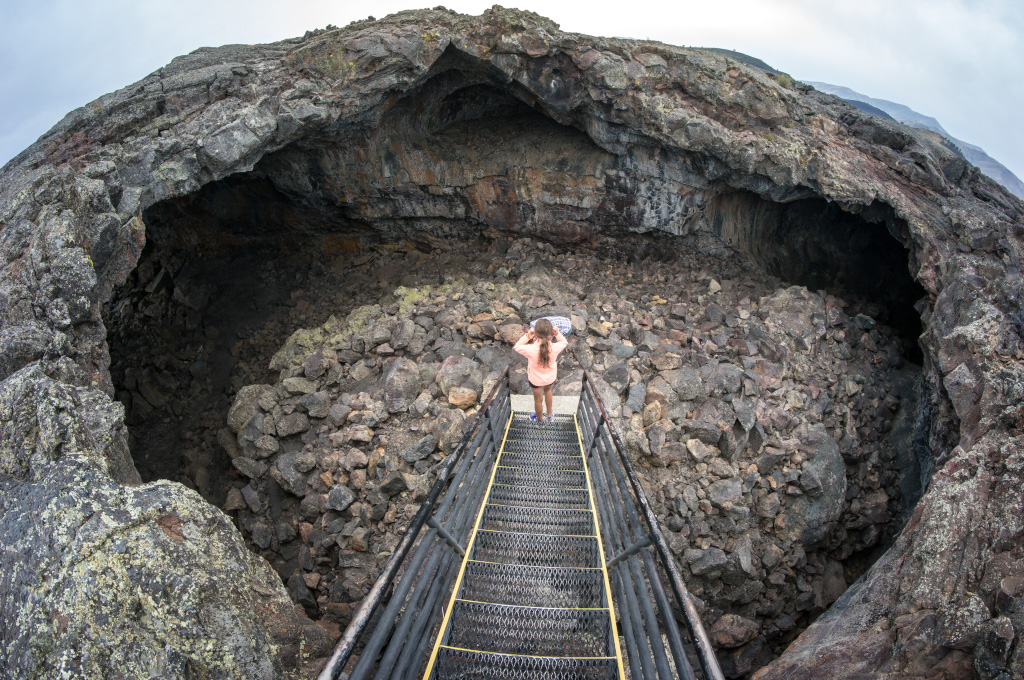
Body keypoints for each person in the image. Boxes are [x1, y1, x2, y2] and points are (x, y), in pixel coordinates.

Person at [513, 318, 568, 422]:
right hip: (550, 378)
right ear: (550, 333)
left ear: (536, 333)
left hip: (535, 380)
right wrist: (557, 333)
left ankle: (539, 420)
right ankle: (549, 415)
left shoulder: (530, 349)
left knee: (538, 400)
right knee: (548, 391)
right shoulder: (555, 348)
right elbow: (564, 342)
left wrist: (528, 335)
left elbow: (517, 347)